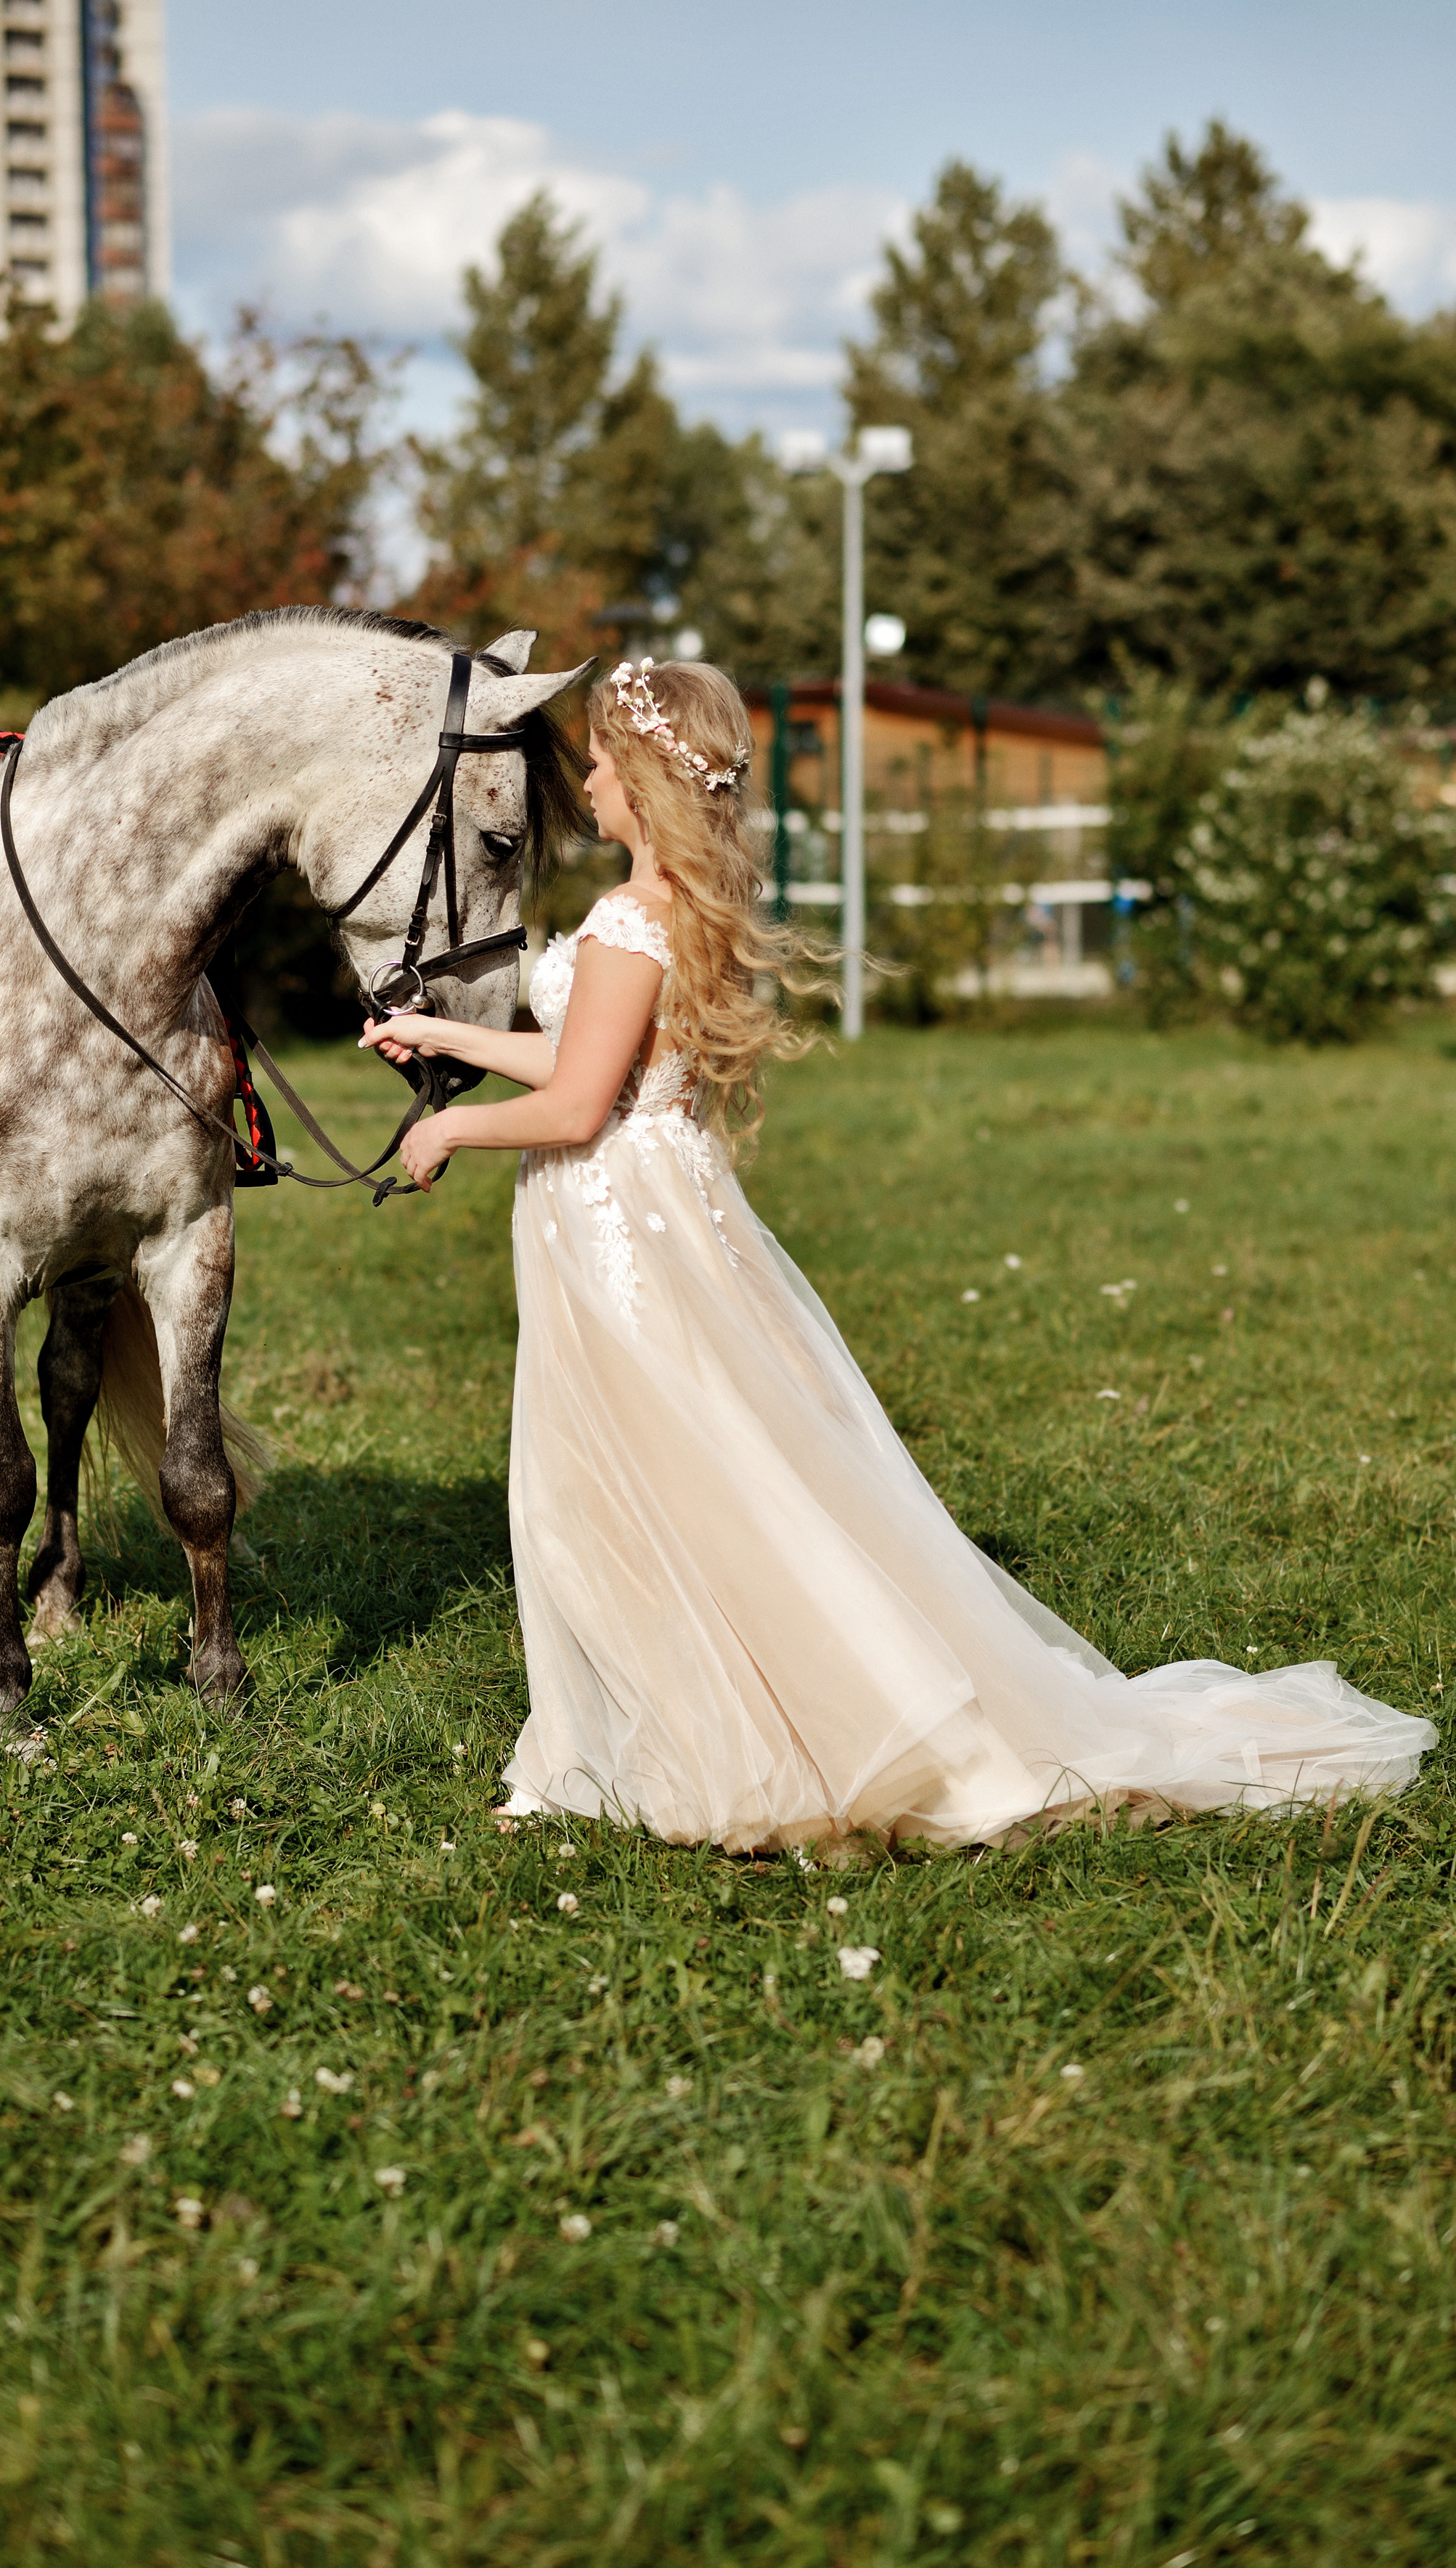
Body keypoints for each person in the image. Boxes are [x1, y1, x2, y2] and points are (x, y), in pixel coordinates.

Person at [359, 659, 1434, 1851]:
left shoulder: (625, 919)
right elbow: (591, 1064)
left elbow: (574, 1108)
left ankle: (674, 1747)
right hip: (662, 1208)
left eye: (607, 757)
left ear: (652, 777)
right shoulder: (673, 913)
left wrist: (451, 1120)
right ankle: (698, 1722)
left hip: (616, 1226)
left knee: (612, 1489)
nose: (592, 777)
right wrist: (442, 1033)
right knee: (719, 1471)